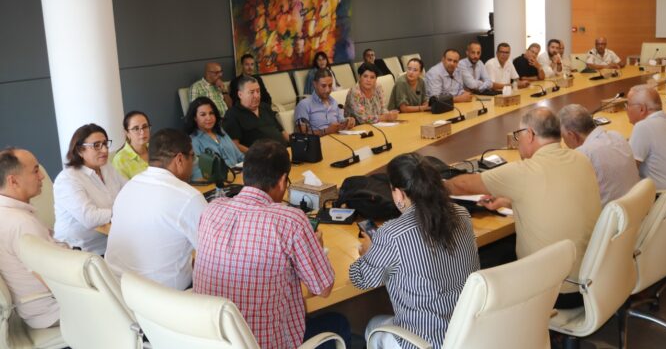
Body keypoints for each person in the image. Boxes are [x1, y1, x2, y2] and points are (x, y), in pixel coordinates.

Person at [193, 140, 350, 349]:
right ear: (283, 181)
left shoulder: (211, 210)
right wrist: (317, 248)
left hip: (212, 341)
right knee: (339, 323)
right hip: (265, 344)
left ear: (244, 174)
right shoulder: (291, 221)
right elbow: (323, 288)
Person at [444, 107, 600, 309]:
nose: (518, 141)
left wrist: (431, 184)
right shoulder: (581, 159)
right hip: (591, 281)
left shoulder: (523, 172)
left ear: (530, 134)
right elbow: (552, 195)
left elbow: (462, 185)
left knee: (488, 258)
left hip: (554, 292)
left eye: (519, 135)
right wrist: (506, 201)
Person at [350, 153, 479, 349]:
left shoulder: (392, 234)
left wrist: (369, 252)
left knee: (372, 327)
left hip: (424, 342)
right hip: (467, 335)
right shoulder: (462, 215)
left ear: (399, 194)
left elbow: (360, 279)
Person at [105, 129, 205, 290]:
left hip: (116, 289)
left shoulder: (129, 186)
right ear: (180, 159)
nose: (193, 163)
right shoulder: (189, 197)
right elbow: (213, 254)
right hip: (163, 297)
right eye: (192, 156)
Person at [0, 148, 60, 329]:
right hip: (53, 311)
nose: (42, 176)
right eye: (35, 171)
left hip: (37, 309)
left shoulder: (9, 214)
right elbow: (55, 279)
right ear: (13, 181)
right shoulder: (21, 223)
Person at [53, 124, 126, 255]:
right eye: (97, 145)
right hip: (80, 252)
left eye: (105, 144)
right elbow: (90, 218)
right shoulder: (67, 179)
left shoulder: (106, 167)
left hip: (112, 244)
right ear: (80, 150)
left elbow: (128, 191)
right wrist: (123, 212)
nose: (104, 150)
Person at [558, 104, 640, 206]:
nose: (564, 142)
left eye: (563, 137)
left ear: (571, 135)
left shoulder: (583, 155)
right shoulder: (617, 136)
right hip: (638, 206)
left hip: (613, 214)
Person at [223, 76, 288, 153]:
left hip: (283, 151)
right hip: (259, 157)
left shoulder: (265, 107)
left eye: (258, 91)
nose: (256, 96)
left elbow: (282, 131)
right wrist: (254, 155)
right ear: (240, 94)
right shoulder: (232, 114)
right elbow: (234, 144)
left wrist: (294, 144)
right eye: (252, 92)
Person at [185, 97, 244, 180]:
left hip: (238, 176)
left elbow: (240, 156)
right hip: (217, 183)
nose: (209, 118)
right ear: (195, 118)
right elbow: (197, 174)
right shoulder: (193, 141)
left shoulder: (221, 132)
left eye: (211, 113)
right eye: (203, 115)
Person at [294, 69, 356, 134]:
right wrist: (326, 131)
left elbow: (341, 121)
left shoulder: (334, 102)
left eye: (330, 85)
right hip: (319, 140)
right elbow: (302, 134)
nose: (327, 90)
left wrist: (348, 121)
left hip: (337, 137)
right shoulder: (304, 105)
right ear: (315, 84)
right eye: (323, 86)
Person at [111, 111, 150, 179]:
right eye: (136, 128)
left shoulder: (157, 149)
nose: (142, 132)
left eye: (145, 127)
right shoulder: (120, 160)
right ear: (127, 133)